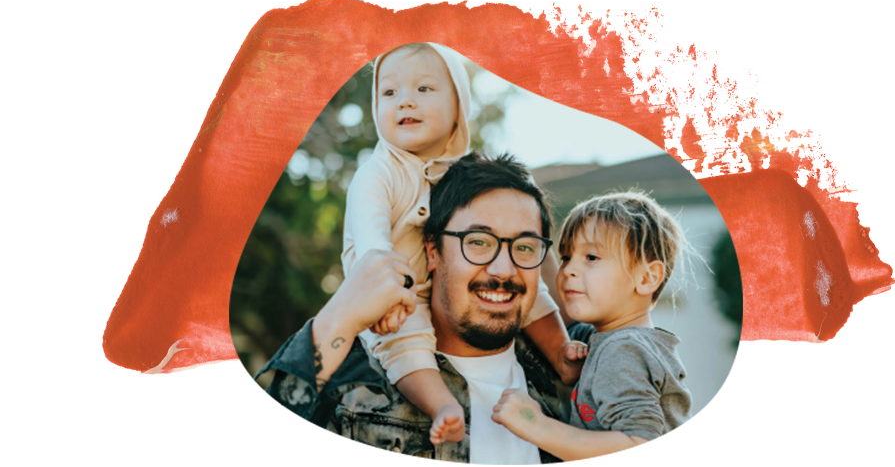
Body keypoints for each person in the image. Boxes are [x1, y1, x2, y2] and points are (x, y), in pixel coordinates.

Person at [258, 153, 586, 464]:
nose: (503, 269)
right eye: (478, 242)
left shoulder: (588, 369)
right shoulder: (354, 384)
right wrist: (339, 315)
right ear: (432, 250)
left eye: (525, 247)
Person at [338, 42, 582, 445]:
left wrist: (530, 250)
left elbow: (528, 249)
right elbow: (371, 242)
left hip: (431, 286)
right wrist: (384, 297)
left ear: (459, 107)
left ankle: (560, 351)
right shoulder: (378, 174)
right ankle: (442, 404)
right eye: (390, 92)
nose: (405, 103)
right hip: (394, 296)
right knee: (405, 343)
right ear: (435, 248)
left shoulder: (467, 173)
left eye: (424, 90)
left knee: (529, 285)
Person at [492, 191, 694, 461]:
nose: (568, 270)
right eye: (565, 257)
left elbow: (639, 445)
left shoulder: (623, 351)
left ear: (647, 277)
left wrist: (535, 425)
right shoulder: (603, 340)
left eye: (591, 258)